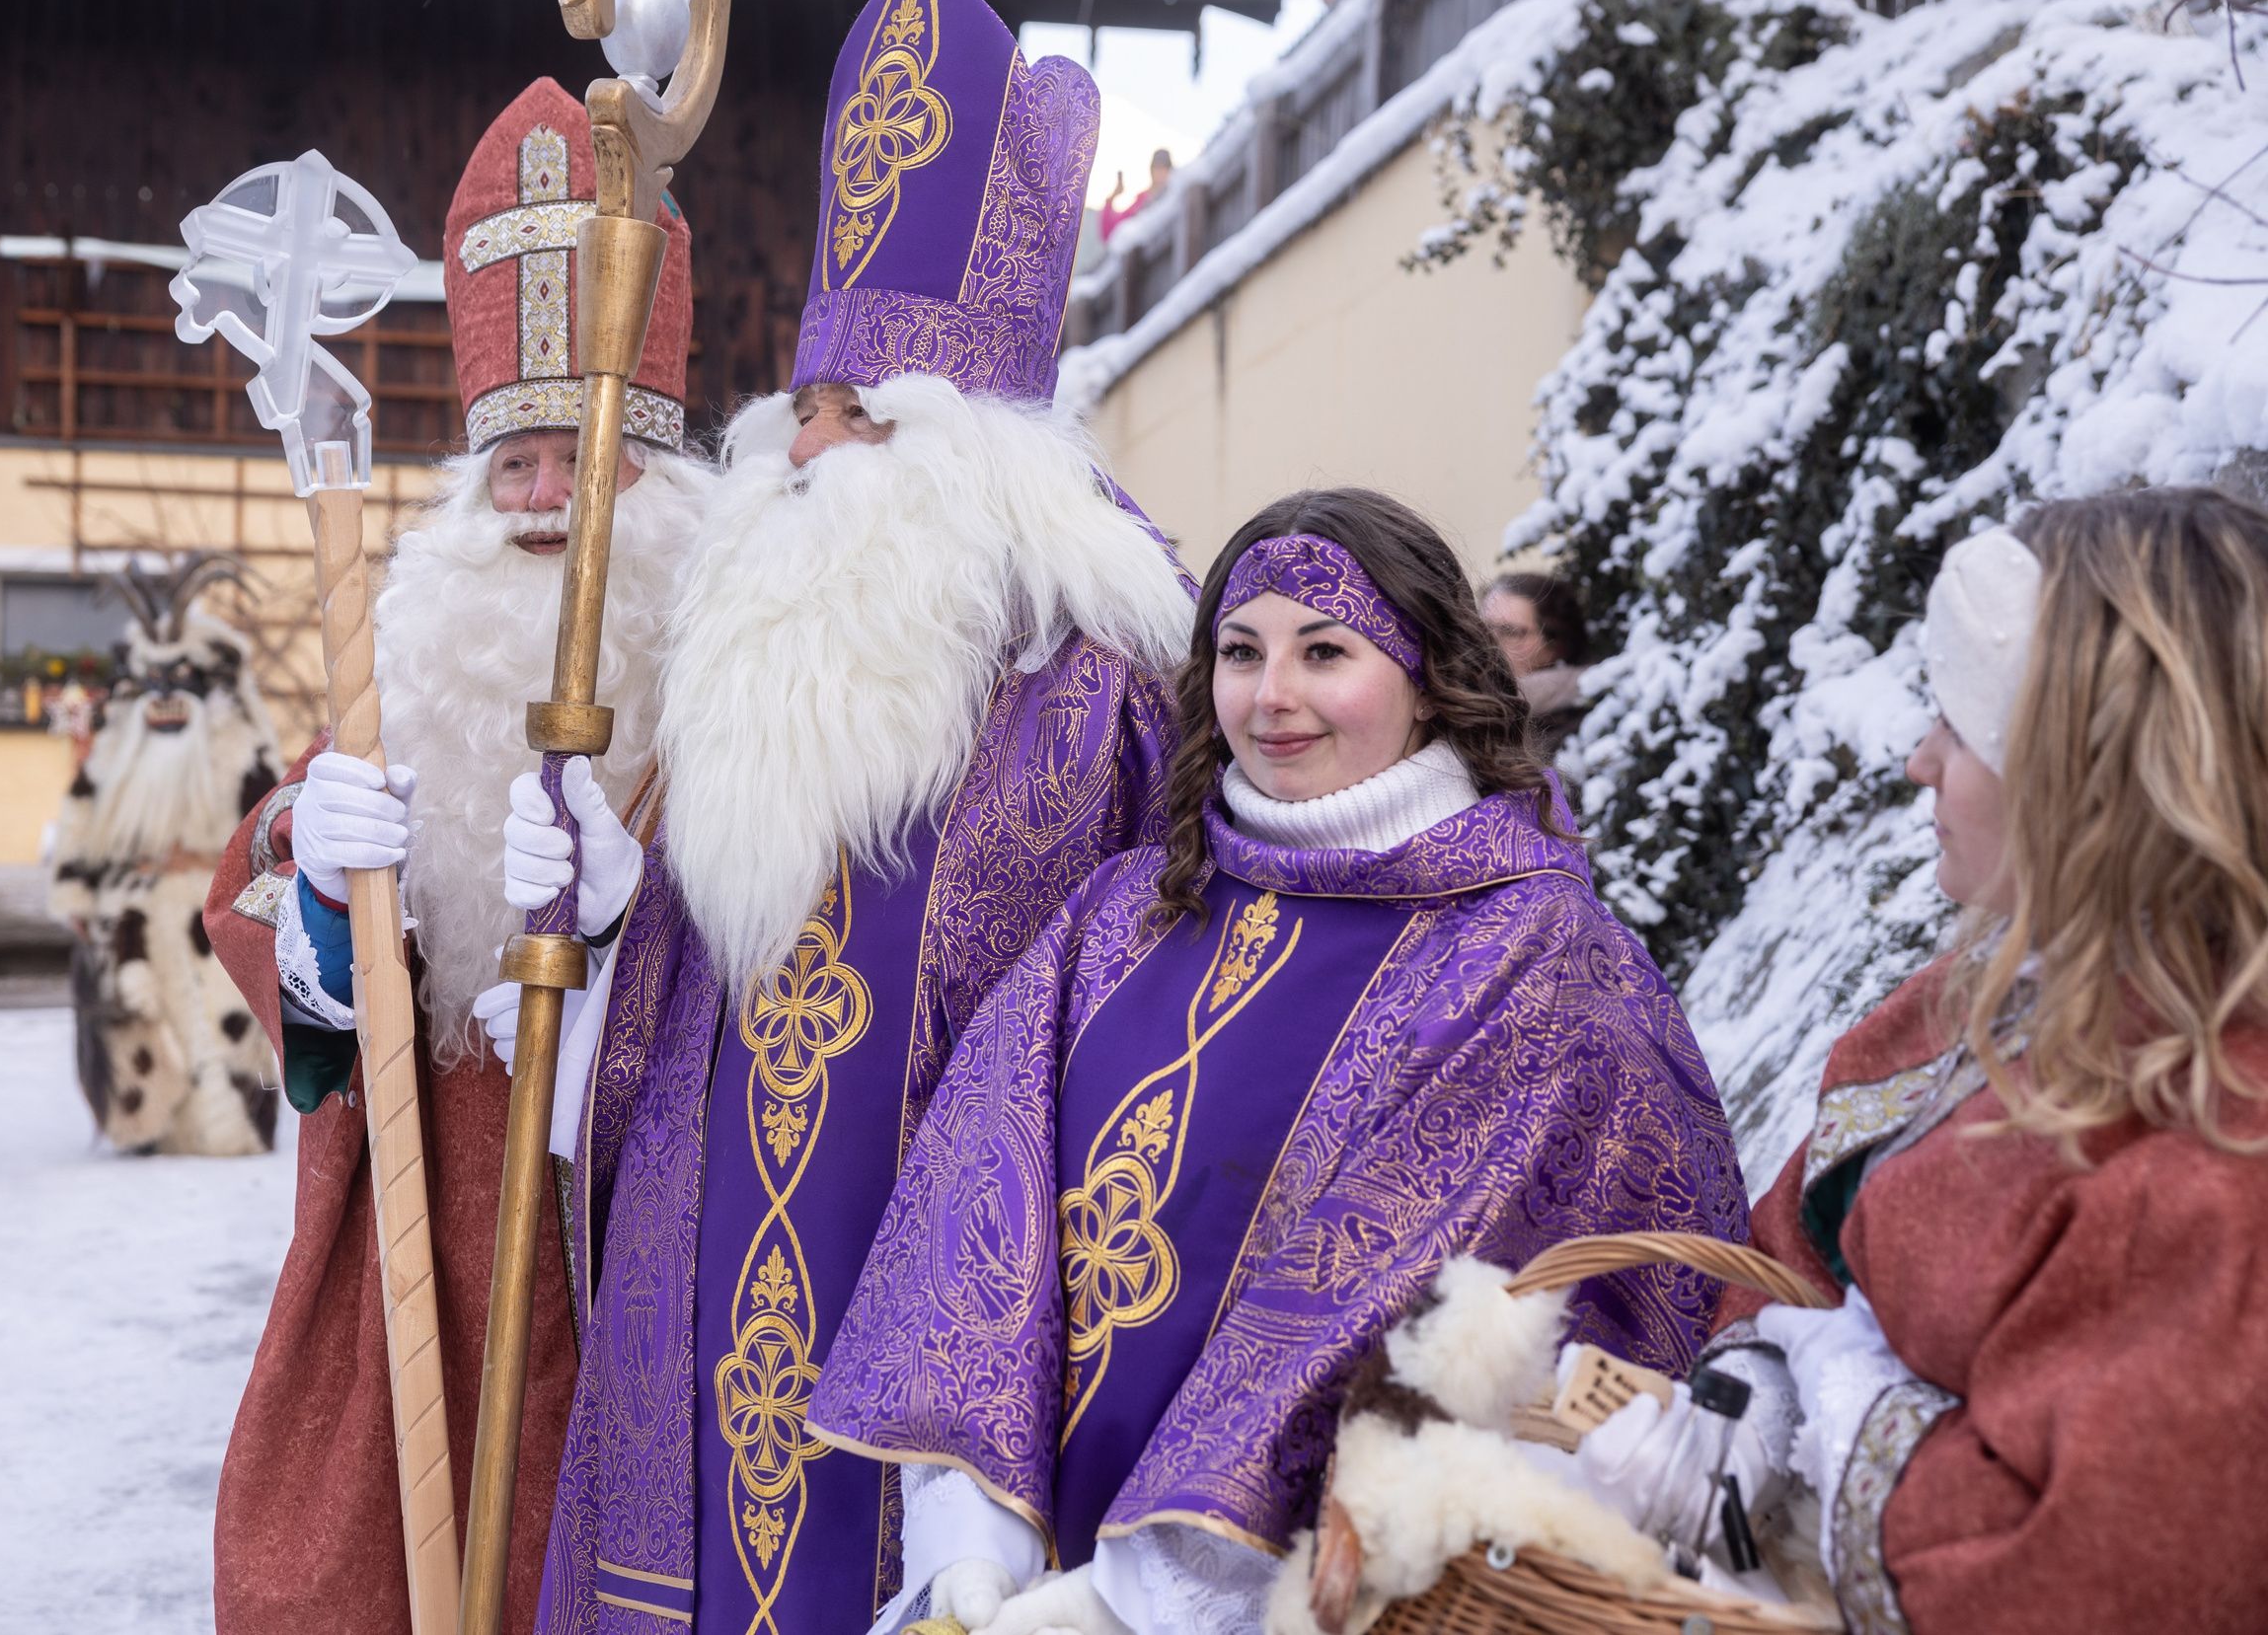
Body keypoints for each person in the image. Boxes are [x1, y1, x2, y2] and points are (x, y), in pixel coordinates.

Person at [513, 0, 1196, 1628]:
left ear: (977, 448)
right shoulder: (767, 668)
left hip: (943, 1311)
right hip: (704, 1290)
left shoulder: (1093, 692)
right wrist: (615, 921)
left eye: (857, 414)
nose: (806, 451)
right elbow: (696, 1013)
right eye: (802, 408)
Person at [806, 486, 1748, 1635]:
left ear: (1427, 672)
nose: (1274, 696)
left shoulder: (1539, 959)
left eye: (1325, 652)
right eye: (1241, 653)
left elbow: (1422, 1314)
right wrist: (972, 1553)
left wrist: (1127, 1605)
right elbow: (966, 1223)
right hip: (1027, 1569)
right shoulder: (1122, 917)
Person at [1572, 486, 2268, 1633]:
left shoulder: (2220, 1156)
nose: (1916, 762)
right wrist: (1755, 1374)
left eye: (1961, 722)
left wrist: (1846, 1404)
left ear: (2089, 771)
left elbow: (2091, 1582)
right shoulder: (1961, 1007)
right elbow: (1791, 1236)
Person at [200, 77, 710, 1635]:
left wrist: (643, 969)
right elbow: (243, 899)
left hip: (647, 1238)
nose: (548, 504)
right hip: (424, 1228)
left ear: (662, 479)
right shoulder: (400, 668)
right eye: (517, 467)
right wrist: (321, 879)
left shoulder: (735, 683)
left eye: (586, 461)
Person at [49, 553, 283, 1156]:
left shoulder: (238, 747)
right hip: (133, 910)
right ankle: (152, 1128)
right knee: (141, 1018)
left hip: (217, 909)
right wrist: (76, 893)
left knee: (222, 1022)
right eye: (153, 681)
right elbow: (80, 817)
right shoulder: (115, 747)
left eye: (180, 679)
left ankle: (229, 1129)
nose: (165, 697)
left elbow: (271, 833)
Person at [1481, 571, 1588, 764]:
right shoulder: (1455, 707)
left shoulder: (1578, 729)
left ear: (1556, 647)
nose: (1488, 643)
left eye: (1511, 632)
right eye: (1482, 628)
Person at [1099, 148, 1173, 243]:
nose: (1161, 173)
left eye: (1164, 169)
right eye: (1157, 168)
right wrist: (1112, 198)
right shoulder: (1141, 201)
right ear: (1152, 172)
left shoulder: (1173, 200)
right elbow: (1110, 233)